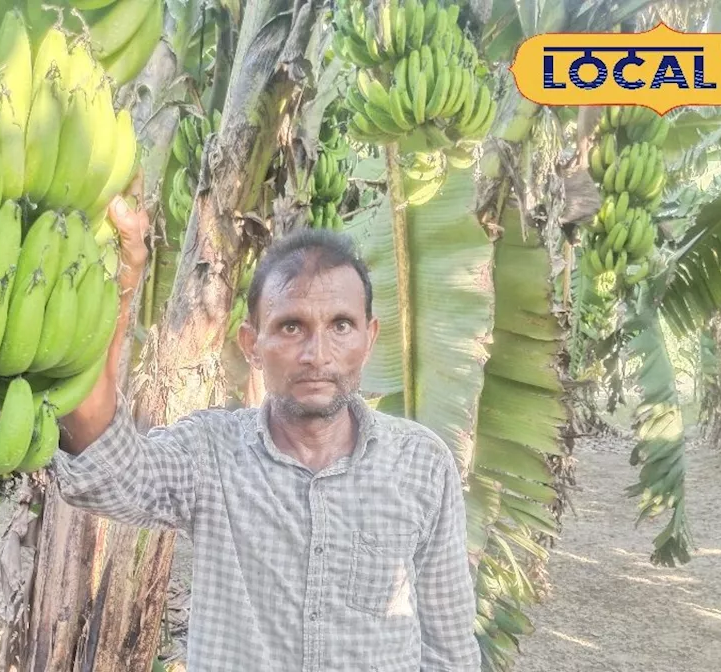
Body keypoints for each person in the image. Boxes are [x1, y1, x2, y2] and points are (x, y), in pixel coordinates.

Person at [51, 195, 481, 671]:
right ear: (252, 344)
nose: (317, 354)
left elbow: (449, 649)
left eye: (341, 325)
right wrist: (123, 283)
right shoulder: (210, 456)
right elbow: (104, 468)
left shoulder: (422, 465)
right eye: (291, 326)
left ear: (369, 337)